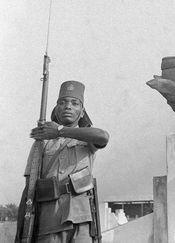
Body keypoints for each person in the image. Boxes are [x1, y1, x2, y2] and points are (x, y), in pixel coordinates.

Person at [16, 80, 109, 243]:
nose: (68, 106)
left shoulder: (87, 139)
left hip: (81, 221)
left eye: (75, 103)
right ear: (56, 110)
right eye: (62, 102)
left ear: (82, 112)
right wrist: (21, 231)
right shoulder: (41, 143)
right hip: (49, 221)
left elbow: (103, 136)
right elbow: (28, 190)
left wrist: (59, 131)